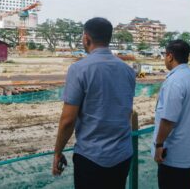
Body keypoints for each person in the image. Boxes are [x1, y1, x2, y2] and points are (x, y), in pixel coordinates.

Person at [52, 17, 136, 189]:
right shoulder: (128, 71)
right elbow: (127, 112)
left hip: (91, 157)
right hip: (122, 155)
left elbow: (68, 120)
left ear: (86, 38)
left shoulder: (79, 69)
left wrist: (57, 152)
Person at [152, 40, 190, 189]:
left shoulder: (175, 81)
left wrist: (158, 145)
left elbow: (168, 119)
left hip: (173, 156)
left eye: (164, 55)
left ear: (170, 56)